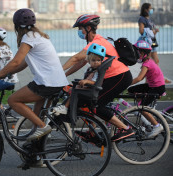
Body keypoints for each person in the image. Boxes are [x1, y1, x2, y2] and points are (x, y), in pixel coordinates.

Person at [0, 9, 69, 142]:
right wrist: (1, 75)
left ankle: (42, 127)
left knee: (13, 100)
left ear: (17, 26)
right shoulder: (37, 36)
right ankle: (36, 151)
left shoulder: (28, 37)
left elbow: (16, 61)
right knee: (37, 114)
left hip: (47, 83)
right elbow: (22, 64)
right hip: (55, 82)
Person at [59, 14, 134, 142]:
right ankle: (92, 132)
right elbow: (81, 62)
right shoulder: (93, 44)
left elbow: (76, 58)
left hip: (120, 76)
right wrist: (64, 74)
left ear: (88, 28)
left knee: (97, 105)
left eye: (80, 29)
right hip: (110, 77)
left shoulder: (98, 42)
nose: (79, 32)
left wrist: (58, 72)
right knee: (87, 101)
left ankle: (125, 129)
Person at [53, 43, 105, 115]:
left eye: (98, 60)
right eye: (93, 60)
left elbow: (96, 82)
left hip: (91, 91)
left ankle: (65, 107)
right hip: (87, 89)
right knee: (71, 89)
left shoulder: (97, 72)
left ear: (101, 61)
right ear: (89, 61)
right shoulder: (90, 69)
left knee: (74, 91)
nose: (96, 62)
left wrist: (86, 81)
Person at [128, 40, 165, 138]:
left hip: (157, 88)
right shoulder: (148, 62)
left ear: (143, 53)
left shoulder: (147, 64)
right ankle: (144, 111)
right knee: (131, 90)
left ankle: (157, 125)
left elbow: (139, 78)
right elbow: (146, 78)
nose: (136, 54)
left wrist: (126, 83)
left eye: (138, 52)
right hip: (153, 86)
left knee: (142, 107)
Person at [138, 3, 170, 83]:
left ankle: (159, 78)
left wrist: (155, 31)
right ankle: (148, 80)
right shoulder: (142, 19)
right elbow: (141, 31)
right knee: (147, 62)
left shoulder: (149, 19)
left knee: (156, 61)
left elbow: (151, 33)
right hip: (147, 43)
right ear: (146, 9)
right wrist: (151, 31)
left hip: (152, 42)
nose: (152, 10)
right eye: (150, 8)